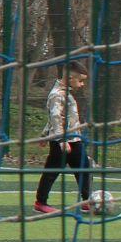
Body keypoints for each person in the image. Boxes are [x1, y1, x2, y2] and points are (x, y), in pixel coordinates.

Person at [35, 61, 93, 215]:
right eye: (80, 81)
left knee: (83, 168)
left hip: (74, 139)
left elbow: (55, 118)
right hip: (63, 142)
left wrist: (44, 135)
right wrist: (61, 141)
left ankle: (87, 201)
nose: (81, 85)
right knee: (52, 171)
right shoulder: (57, 95)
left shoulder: (65, 94)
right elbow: (54, 118)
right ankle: (40, 202)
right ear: (70, 78)